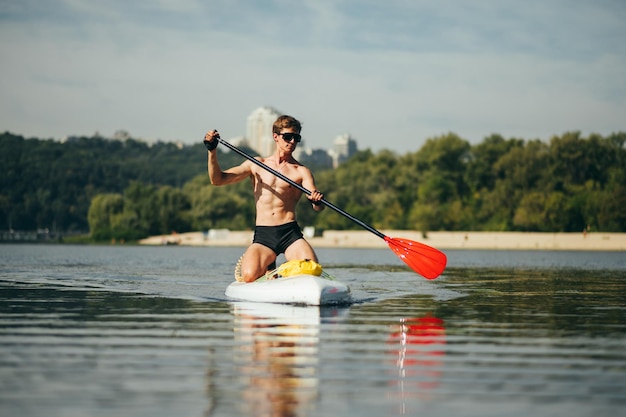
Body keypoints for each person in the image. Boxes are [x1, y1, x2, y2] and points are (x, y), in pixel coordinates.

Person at [204, 115, 325, 282]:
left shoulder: (301, 171)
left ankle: (278, 273)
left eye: (296, 138)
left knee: (311, 268)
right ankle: (270, 268)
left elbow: (317, 206)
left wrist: (316, 201)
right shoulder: (256, 164)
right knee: (249, 277)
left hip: (290, 233)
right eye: (287, 137)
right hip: (264, 235)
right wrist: (212, 151)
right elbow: (217, 180)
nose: (292, 142)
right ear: (276, 136)